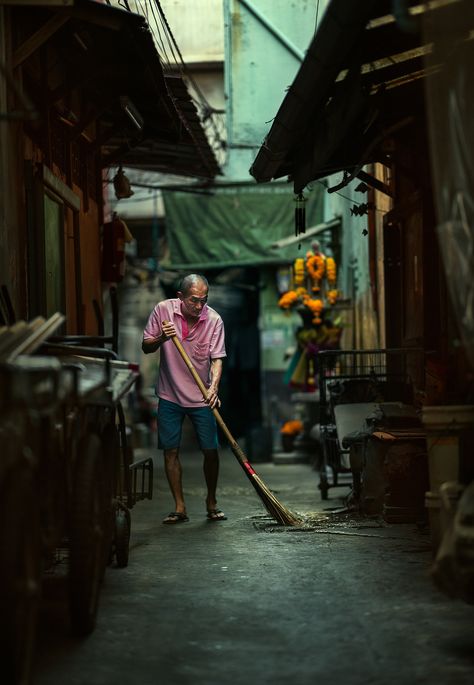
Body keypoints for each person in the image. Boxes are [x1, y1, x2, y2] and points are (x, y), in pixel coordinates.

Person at [142, 274, 227, 524]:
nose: (199, 306)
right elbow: (146, 346)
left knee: (211, 451)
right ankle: (179, 507)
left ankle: (211, 501)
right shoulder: (163, 310)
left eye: (204, 300)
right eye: (194, 301)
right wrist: (162, 338)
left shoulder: (213, 319)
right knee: (170, 451)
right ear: (180, 297)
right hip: (169, 395)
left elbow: (217, 358)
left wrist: (213, 389)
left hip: (202, 395)